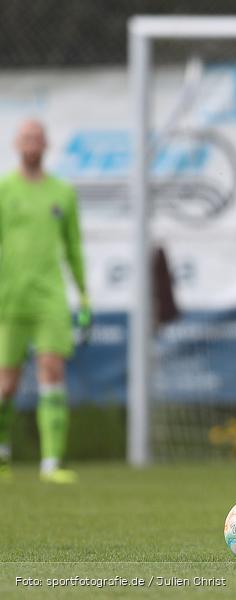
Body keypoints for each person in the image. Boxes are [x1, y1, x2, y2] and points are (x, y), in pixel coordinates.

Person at [0, 119, 90, 484]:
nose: (32, 143)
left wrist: (83, 295)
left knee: (52, 372)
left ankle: (51, 463)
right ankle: (2, 454)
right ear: (16, 144)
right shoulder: (5, 189)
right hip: (10, 300)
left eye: (38, 137)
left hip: (51, 299)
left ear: (46, 144)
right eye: (26, 137)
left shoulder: (63, 192)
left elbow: (73, 248)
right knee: (6, 384)